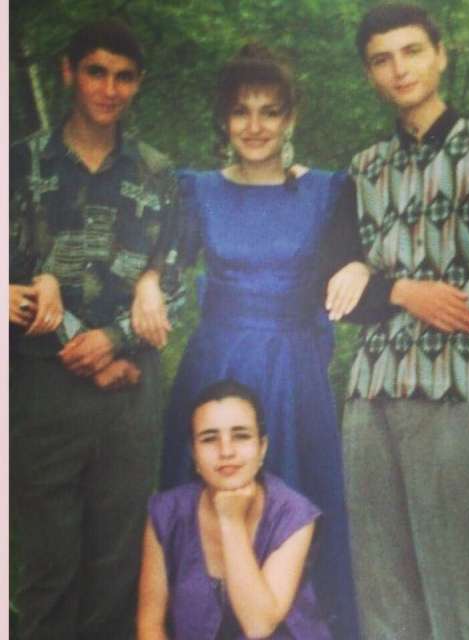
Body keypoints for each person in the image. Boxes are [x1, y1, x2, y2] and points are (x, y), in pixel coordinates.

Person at [132, 44, 393, 640]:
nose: (255, 126)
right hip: (215, 366)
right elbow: (165, 261)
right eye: (241, 111)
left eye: (270, 111)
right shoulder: (196, 190)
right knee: (203, 499)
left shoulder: (328, 191)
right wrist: (147, 280)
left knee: (294, 499)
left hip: (293, 374)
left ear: (290, 118)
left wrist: (360, 266)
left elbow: (356, 259)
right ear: (223, 120)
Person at [341, 4, 469, 640]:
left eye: (412, 51)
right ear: (369, 74)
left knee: (468, 579)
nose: (399, 69)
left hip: (459, 387)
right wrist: (400, 291)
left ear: (441, 54)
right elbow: (337, 292)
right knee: (384, 579)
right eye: (382, 59)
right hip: (372, 393)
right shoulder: (363, 169)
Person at [9, 19, 182, 639]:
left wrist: (113, 341)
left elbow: (175, 283)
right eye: (96, 72)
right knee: (48, 565)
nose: (109, 89)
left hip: (128, 389)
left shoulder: (159, 173)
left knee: (117, 565)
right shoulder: (19, 164)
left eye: (124, 77)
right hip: (43, 389)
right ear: (68, 72)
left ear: (138, 84)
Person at [137, 379, 333, 640]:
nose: (226, 451)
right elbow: (150, 625)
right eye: (209, 439)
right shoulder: (166, 512)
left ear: (262, 448)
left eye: (241, 436)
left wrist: (231, 520)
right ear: (194, 454)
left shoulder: (294, 514)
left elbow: (258, 625)